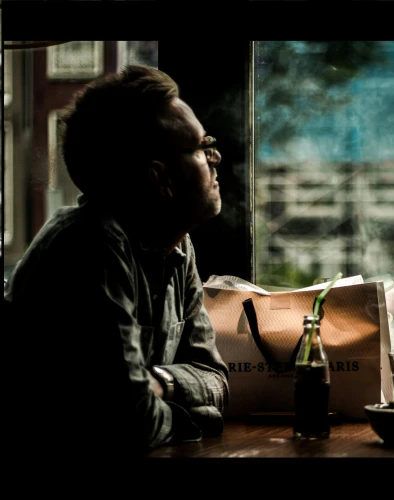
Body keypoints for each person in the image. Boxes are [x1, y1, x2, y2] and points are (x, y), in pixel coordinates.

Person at [5, 65, 230, 458]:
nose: (216, 156)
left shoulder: (176, 244)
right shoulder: (90, 247)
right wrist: (189, 417)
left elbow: (217, 379)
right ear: (161, 178)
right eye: (200, 146)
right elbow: (130, 423)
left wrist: (158, 382)